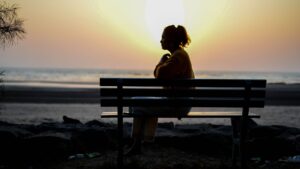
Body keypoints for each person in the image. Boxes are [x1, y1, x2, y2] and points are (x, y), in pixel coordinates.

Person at [126, 25, 195, 155]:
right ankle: (143, 142)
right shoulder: (179, 55)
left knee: (137, 104)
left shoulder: (178, 56)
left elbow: (161, 74)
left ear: (171, 41)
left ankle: (138, 145)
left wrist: (160, 62)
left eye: (163, 38)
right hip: (179, 101)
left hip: (178, 104)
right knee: (142, 103)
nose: (160, 40)